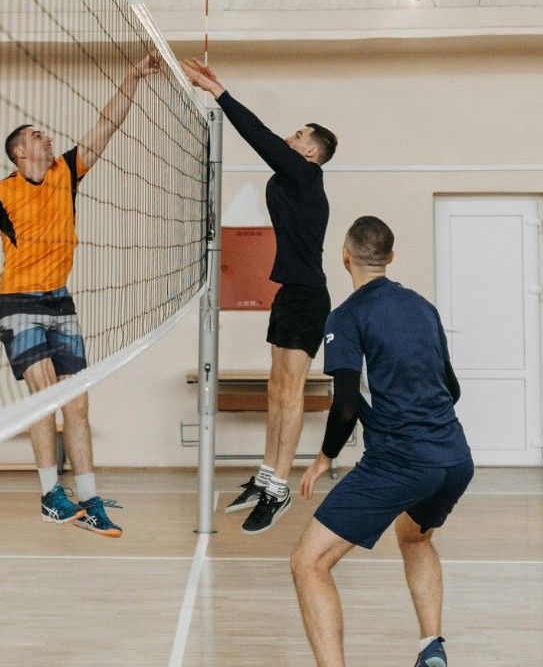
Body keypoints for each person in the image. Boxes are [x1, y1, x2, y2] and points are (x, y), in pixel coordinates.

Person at [0, 54, 160, 538]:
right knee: (45, 394)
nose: (46, 138)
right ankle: (51, 494)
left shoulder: (67, 172)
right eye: (35, 136)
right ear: (19, 153)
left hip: (60, 302)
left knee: (78, 405)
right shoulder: (0, 193)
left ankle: (89, 498)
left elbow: (106, 127)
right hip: (19, 303)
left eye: (45, 135)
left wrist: (131, 78)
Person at [291, 216, 474, 667]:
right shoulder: (422, 307)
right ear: (390, 258)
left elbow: (347, 407)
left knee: (308, 562)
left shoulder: (346, 316)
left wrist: (323, 458)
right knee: (413, 537)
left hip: (400, 461)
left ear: (345, 256)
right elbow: (452, 389)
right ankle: (431, 650)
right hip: (454, 458)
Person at [179, 57, 339, 534]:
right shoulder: (297, 177)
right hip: (291, 293)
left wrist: (220, 93)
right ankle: (267, 474)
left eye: (298, 135)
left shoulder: (306, 176)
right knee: (276, 391)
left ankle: (279, 489)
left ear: (311, 152)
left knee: (291, 396)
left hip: (309, 297)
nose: (290, 138)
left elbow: (262, 139)